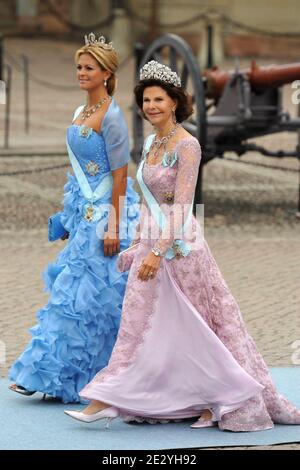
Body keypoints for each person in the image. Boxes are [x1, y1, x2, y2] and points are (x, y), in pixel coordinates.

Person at [64, 60, 300, 430]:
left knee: (199, 329)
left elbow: (183, 206)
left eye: (159, 99)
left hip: (182, 249)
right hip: (151, 246)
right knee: (141, 327)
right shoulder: (152, 143)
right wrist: (137, 245)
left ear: (175, 102)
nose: (151, 106)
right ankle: (110, 399)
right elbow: (147, 201)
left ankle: (217, 399)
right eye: (146, 100)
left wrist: (157, 252)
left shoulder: (188, 145)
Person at [8, 33, 140, 403]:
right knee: (72, 293)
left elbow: (119, 175)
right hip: (84, 214)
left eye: (89, 68)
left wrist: (114, 224)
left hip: (106, 216)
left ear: (106, 73)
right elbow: (80, 171)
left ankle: (89, 375)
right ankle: (50, 373)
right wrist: (69, 215)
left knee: (91, 299)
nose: (81, 73)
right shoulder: (80, 113)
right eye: (79, 67)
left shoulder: (112, 117)